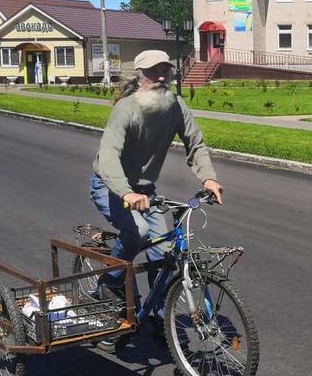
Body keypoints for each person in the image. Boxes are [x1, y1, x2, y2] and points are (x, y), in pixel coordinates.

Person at [89, 50, 222, 347]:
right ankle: (110, 280)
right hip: (110, 186)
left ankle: (161, 318)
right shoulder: (126, 108)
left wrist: (209, 177)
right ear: (139, 76)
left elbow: (195, 143)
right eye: (153, 72)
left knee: (163, 255)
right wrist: (127, 192)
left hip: (146, 192)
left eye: (166, 70)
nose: (161, 77)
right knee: (139, 232)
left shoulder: (174, 106)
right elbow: (109, 155)